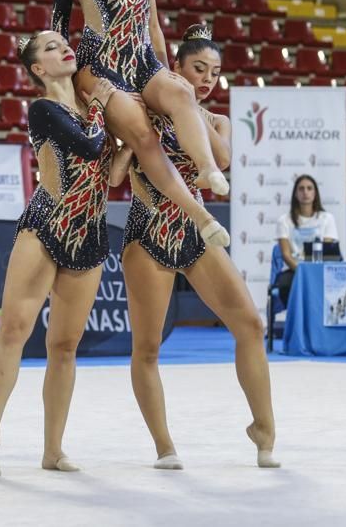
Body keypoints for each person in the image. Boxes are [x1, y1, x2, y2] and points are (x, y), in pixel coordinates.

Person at [0, 30, 133, 477]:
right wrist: (103, 104)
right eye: (49, 47)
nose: (63, 46)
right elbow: (86, 144)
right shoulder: (43, 109)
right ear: (38, 70)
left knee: (64, 345)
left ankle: (53, 448)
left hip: (89, 233)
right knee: (14, 330)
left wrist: (130, 145)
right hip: (47, 225)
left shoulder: (95, 110)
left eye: (63, 41)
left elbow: (113, 170)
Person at [121, 25, 279, 470]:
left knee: (249, 323)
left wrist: (190, 107)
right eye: (198, 69)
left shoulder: (217, 121)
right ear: (176, 68)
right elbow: (118, 170)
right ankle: (164, 444)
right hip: (149, 231)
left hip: (196, 234)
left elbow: (223, 161)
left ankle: (263, 427)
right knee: (147, 348)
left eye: (214, 72)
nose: (208, 79)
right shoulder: (142, 111)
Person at [52, 0, 230, 248]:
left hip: (143, 60)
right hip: (100, 62)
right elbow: (58, 23)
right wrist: (63, 89)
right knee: (145, 136)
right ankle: (201, 216)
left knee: (182, 95)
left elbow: (153, 26)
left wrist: (168, 74)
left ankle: (207, 169)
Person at [273, 174, 338, 307]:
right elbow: (286, 255)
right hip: (294, 270)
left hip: (320, 270)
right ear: (295, 194)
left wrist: (313, 273)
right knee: (286, 286)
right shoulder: (284, 221)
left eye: (309, 188)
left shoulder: (327, 218)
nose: (305, 192)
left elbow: (326, 250)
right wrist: (303, 271)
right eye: (301, 189)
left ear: (315, 193)